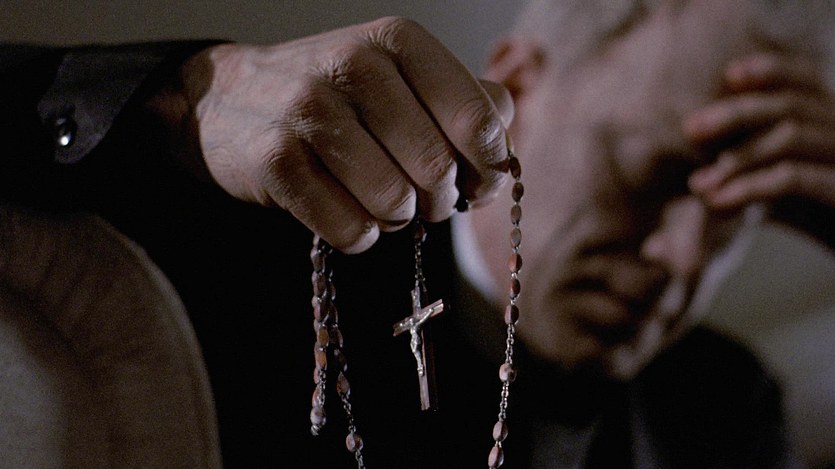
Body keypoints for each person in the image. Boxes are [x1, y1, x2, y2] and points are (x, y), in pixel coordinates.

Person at [1, 0, 833, 468]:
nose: (679, 259)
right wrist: (182, 97)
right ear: (517, 85)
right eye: (649, 174)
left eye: (740, 210)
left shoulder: (723, 406)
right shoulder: (253, 265)